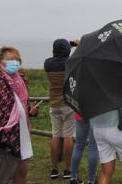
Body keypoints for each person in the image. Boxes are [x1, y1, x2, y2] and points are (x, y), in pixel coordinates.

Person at [0, 46, 39, 184]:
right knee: (0, 177)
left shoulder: (20, 81)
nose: (15, 62)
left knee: (22, 171)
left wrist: (31, 111)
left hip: (21, 134)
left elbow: (20, 106)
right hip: (3, 139)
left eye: (17, 59)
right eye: (11, 59)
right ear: (0, 62)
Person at [44, 39, 76, 179]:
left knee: (56, 136)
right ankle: (68, 170)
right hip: (68, 104)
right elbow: (78, 57)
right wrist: (76, 45)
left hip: (54, 104)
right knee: (68, 136)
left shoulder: (48, 63)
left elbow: (58, 55)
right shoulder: (70, 63)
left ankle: (54, 169)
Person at [69, 110, 99, 184]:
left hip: (80, 112)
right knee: (93, 147)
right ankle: (92, 180)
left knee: (78, 145)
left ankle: (73, 178)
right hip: (95, 114)